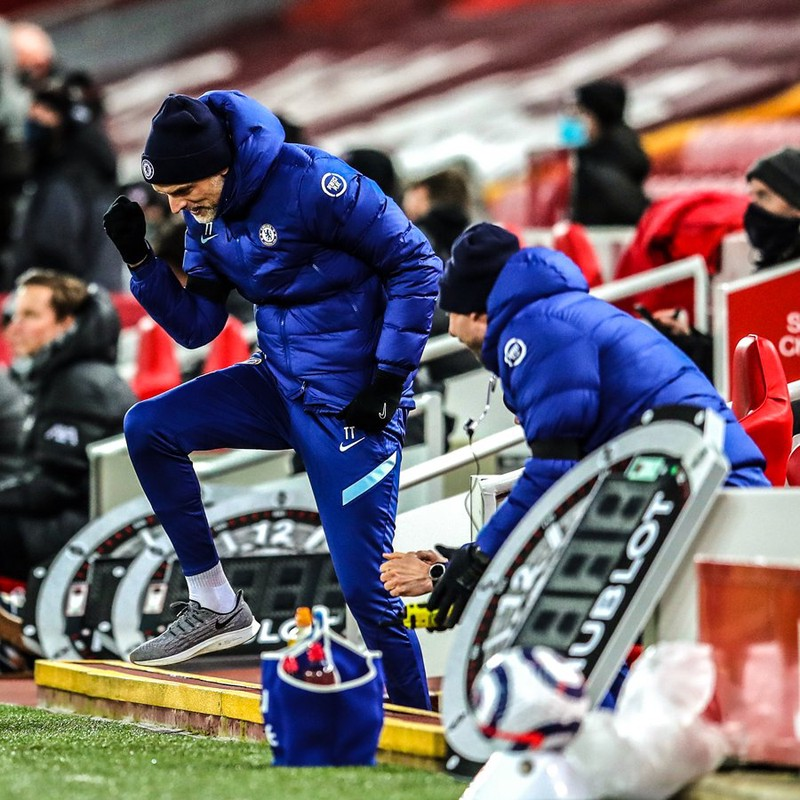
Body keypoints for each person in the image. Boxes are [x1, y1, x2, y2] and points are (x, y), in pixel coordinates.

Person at [102, 90, 441, 709]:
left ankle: (419, 720)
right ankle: (215, 603)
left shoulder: (317, 183)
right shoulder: (208, 210)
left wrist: (390, 380)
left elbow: (417, 264)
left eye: (183, 190)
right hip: (278, 384)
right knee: (148, 426)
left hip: (350, 404)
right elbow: (198, 327)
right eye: (167, 195)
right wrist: (141, 262)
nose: (176, 207)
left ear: (220, 164)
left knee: (368, 590)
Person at [424, 222, 770, 629]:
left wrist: (482, 556)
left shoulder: (537, 329)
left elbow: (554, 470)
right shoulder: (556, 314)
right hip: (694, 484)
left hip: (712, 492)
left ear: (477, 313)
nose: (451, 331)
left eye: (453, 316)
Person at [0, 268, 136, 582]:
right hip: (74, 522)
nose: (14, 327)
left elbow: (54, 488)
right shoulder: (64, 375)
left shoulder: (79, 383)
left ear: (67, 323)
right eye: (13, 316)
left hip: (79, 532)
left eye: (30, 315)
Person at [7, 71, 123, 292]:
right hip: (99, 296)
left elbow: (52, 249)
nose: (32, 119)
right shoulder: (92, 176)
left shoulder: (63, 182)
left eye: (42, 112)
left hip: (67, 298)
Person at [561, 77, 650, 226]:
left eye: (578, 113)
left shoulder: (600, 171)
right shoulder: (592, 158)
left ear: (599, 117)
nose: (571, 121)